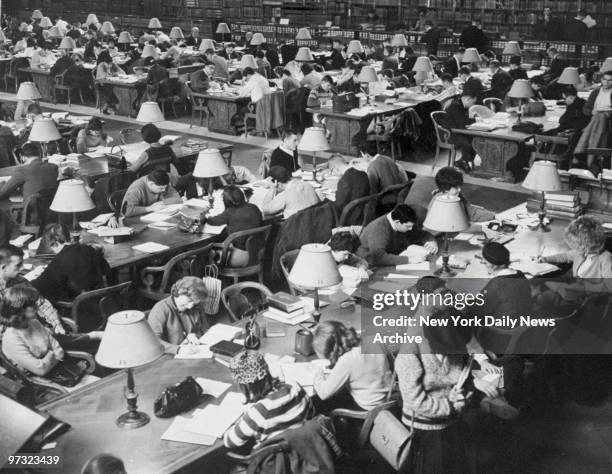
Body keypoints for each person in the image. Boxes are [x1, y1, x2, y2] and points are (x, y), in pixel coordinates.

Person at [223, 350, 314, 449]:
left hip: (276, 461)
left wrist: (240, 422)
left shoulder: (258, 413)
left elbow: (229, 441)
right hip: (304, 450)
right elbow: (311, 413)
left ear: (245, 386)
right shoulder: (295, 387)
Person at [312, 321, 392, 412]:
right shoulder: (373, 339)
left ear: (331, 351)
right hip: (390, 400)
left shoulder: (347, 360)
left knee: (328, 406)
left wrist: (317, 372)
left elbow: (323, 393)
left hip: (369, 410)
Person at [31, 224, 110, 307]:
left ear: (54, 242)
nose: (53, 251)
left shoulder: (58, 261)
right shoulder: (89, 249)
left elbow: (38, 286)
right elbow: (106, 268)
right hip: (102, 301)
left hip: (79, 307)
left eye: (51, 247)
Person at [1, 286, 65, 377]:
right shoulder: (11, 338)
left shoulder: (35, 323)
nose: (37, 306)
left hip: (59, 372)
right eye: (31, 304)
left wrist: (45, 361)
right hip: (41, 383)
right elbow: (40, 370)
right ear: (19, 309)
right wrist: (51, 353)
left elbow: (60, 351)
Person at [357, 204, 437, 266]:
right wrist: (408, 260)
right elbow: (379, 257)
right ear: (397, 222)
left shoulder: (402, 221)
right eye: (408, 226)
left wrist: (431, 241)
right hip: (371, 264)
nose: (411, 229)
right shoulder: (379, 228)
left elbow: (422, 234)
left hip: (392, 257)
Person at [147, 277, 210, 354]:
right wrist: (178, 349)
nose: (190, 306)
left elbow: (204, 329)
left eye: (194, 303)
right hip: (167, 355)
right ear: (178, 292)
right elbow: (152, 341)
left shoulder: (196, 306)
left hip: (191, 351)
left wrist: (195, 335)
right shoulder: (160, 309)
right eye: (189, 301)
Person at [203, 186, 263, 267]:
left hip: (239, 257)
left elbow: (213, 221)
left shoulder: (229, 212)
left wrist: (206, 215)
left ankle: (211, 277)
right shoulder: (254, 207)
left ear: (226, 201)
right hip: (259, 252)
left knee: (206, 251)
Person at [574, 70, 612, 175]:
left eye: (610, 80)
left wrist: (608, 113)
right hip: (594, 119)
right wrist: (592, 111)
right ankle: (591, 160)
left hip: (608, 122)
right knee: (598, 117)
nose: (607, 82)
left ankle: (580, 152)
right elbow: (585, 109)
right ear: (601, 80)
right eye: (605, 79)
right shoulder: (596, 92)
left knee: (601, 117)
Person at [444, 90, 478, 172]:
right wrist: (475, 120)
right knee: (473, 142)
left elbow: (463, 122)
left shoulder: (460, 104)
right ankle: (463, 161)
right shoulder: (456, 106)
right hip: (450, 134)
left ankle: (463, 161)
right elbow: (462, 124)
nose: (472, 105)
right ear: (468, 99)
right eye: (472, 103)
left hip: (457, 131)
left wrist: (473, 119)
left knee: (477, 140)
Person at [96, 49, 125, 114]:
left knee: (118, 88)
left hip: (111, 83)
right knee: (113, 89)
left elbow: (123, 72)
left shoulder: (112, 64)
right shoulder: (101, 65)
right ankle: (110, 105)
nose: (109, 66)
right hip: (101, 85)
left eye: (110, 64)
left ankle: (112, 105)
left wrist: (115, 73)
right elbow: (104, 76)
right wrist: (113, 74)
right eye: (107, 64)